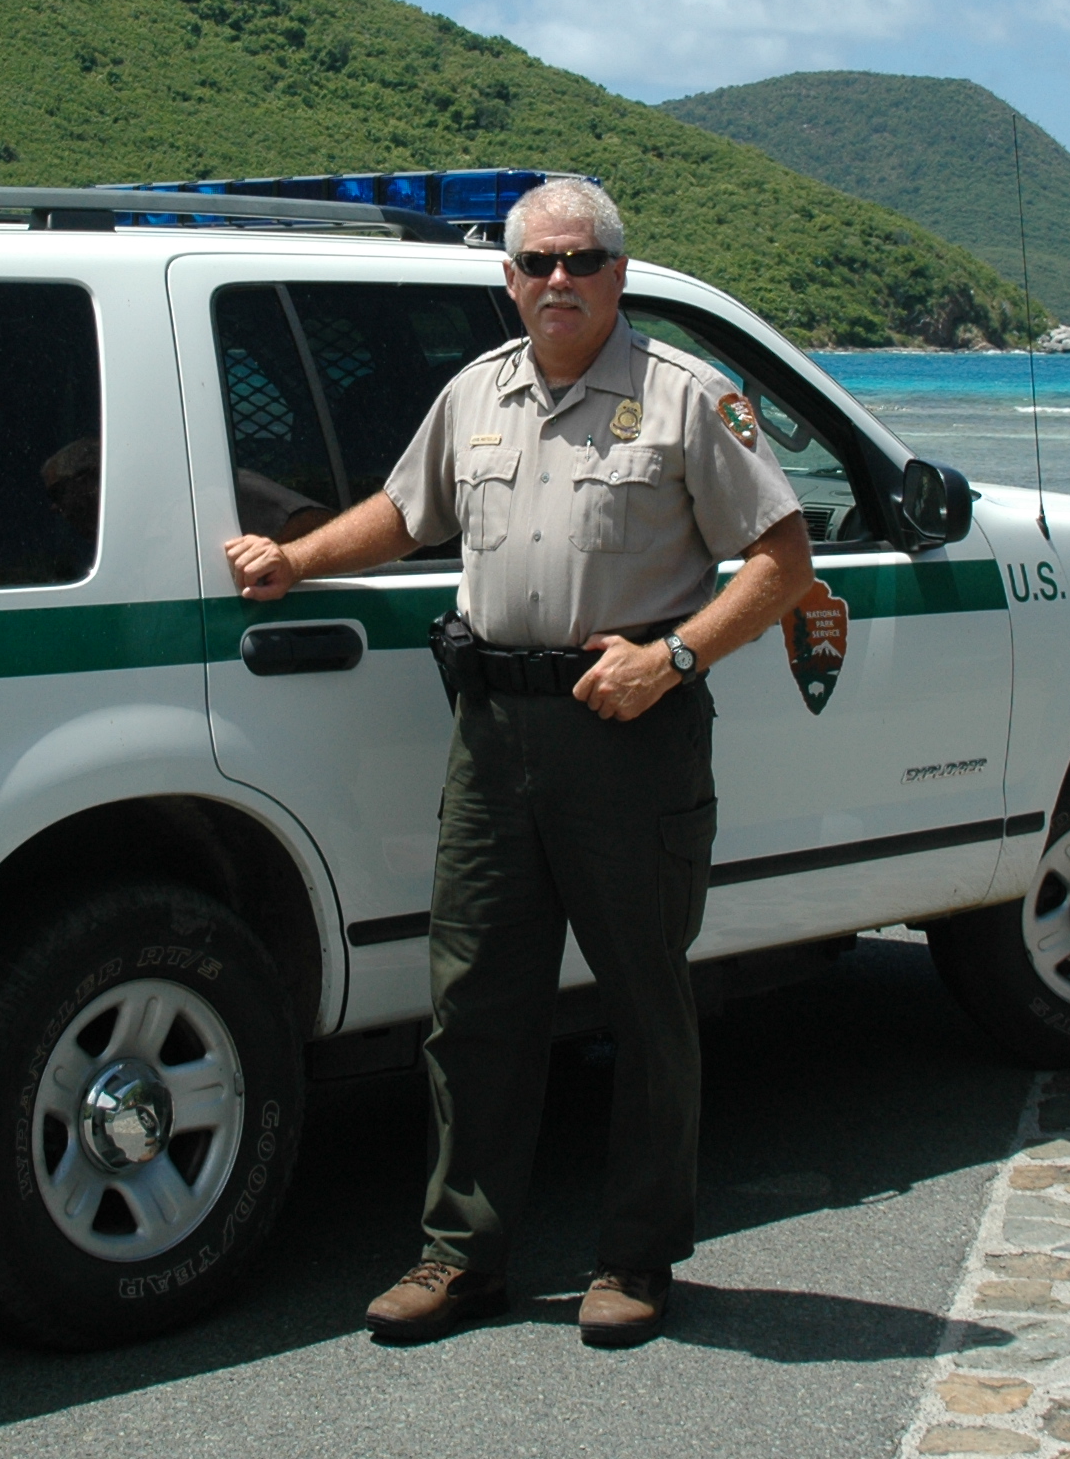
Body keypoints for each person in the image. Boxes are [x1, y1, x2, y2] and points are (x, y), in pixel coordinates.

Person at [222, 177, 815, 1349]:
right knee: (473, 1002)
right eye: (535, 261)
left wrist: (676, 659)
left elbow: (781, 559)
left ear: (618, 274)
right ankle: (460, 1255)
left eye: (580, 258)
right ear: (507, 279)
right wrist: (295, 558)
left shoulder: (685, 399)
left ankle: (635, 1257)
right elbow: (403, 513)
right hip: (493, 733)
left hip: (629, 732)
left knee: (645, 1003)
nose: (556, 279)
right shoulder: (473, 393)